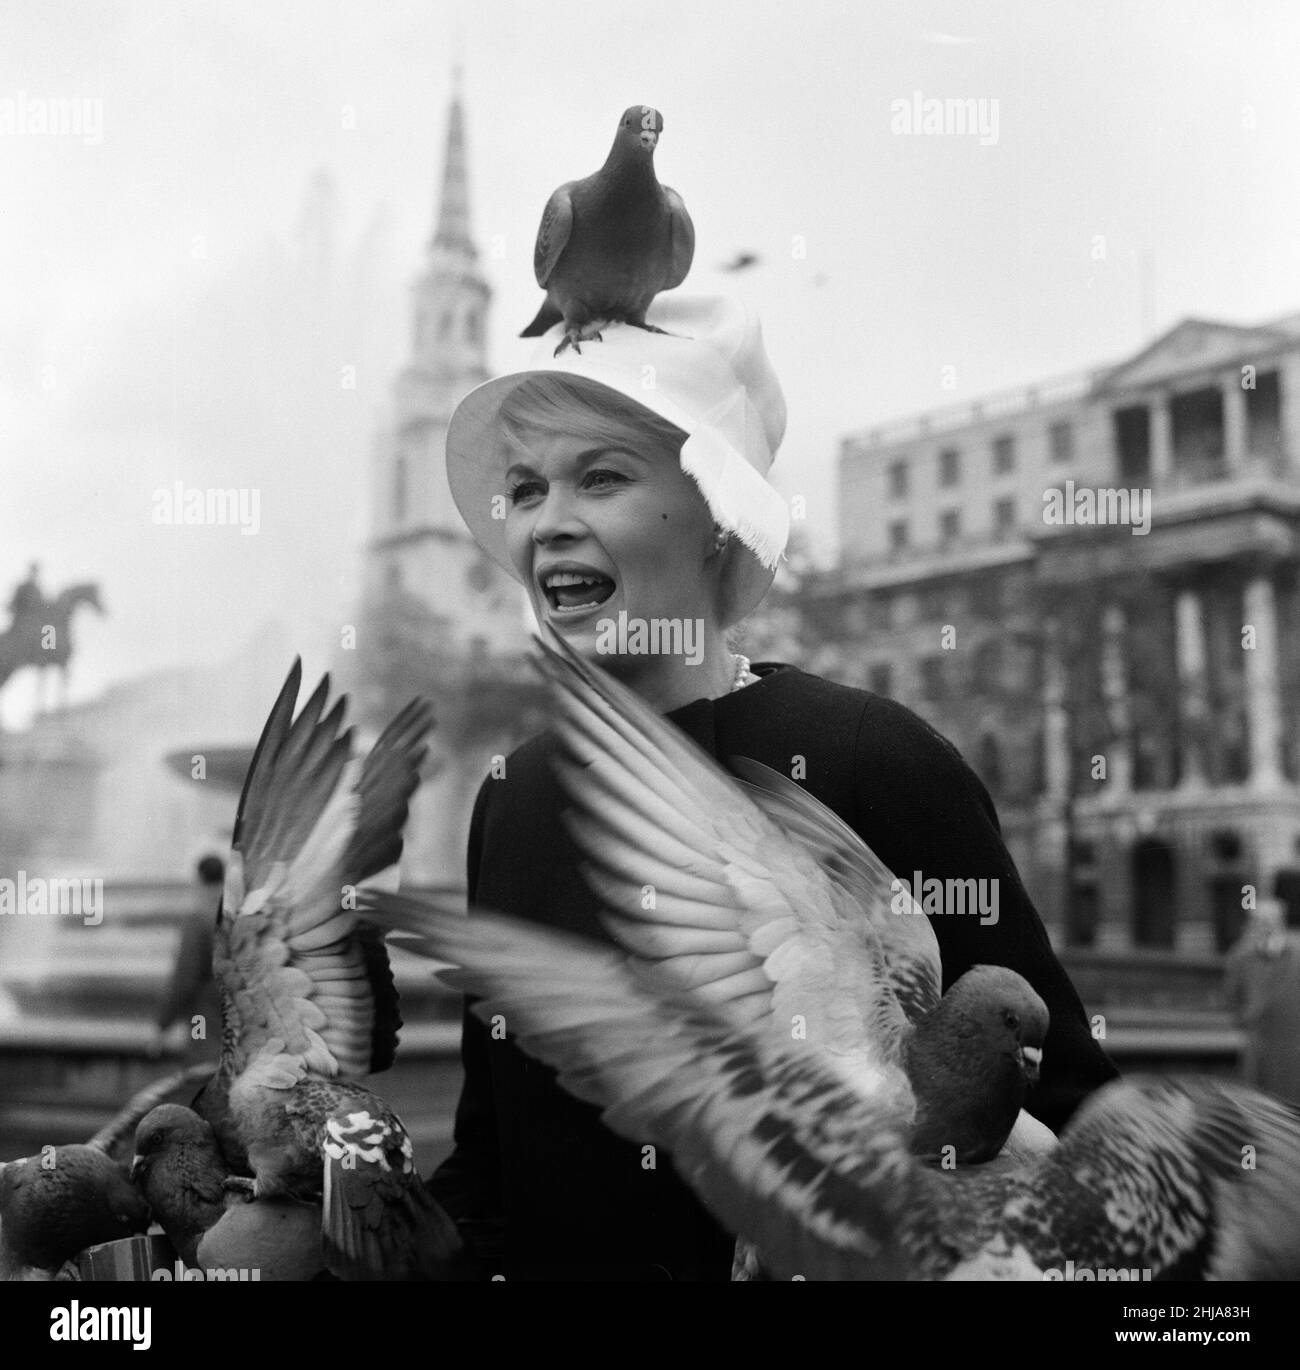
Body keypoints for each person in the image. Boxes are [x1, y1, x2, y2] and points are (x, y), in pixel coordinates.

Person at [427, 295, 1118, 1280]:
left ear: (716, 512)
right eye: (527, 488)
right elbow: (494, 1164)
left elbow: (1072, 1121)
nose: (547, 524)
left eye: (602, 477)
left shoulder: (870, 757)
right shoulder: (515, 790)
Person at [1225, 897, 1300, 1104]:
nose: (1263, 927)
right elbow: (1232, 997)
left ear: (1280, 923)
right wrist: (1245, 1017)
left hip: (1293, 1043)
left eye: (1269, 922)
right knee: (1258, 1103)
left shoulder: (1297, 954)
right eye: (1258, 922)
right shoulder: (1240, 956)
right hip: (1259, 1044)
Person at [151, 853, 224, 1064]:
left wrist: (163, 1024)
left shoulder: (199, 919)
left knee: (202, 1061)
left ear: (199, 879)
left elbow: (185, 978)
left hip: (203, 1016)